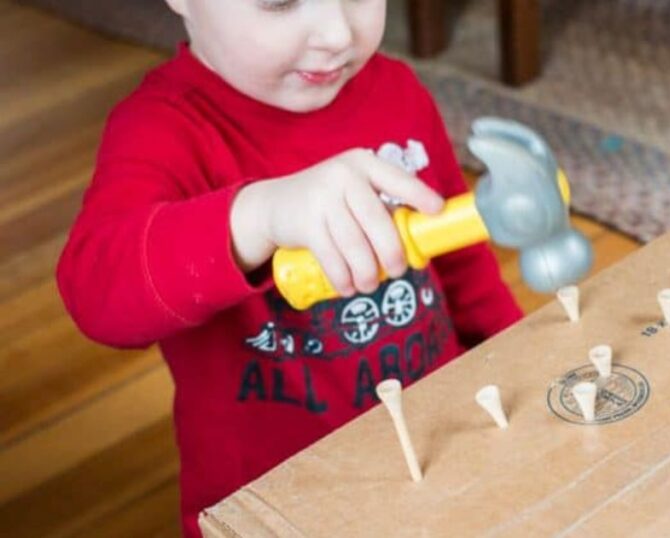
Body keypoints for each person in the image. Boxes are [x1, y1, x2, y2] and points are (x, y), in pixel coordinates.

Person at [55, 1, 523, 535]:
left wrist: (521, 358)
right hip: (278, 504)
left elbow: (464, 268)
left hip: (444, 449)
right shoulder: (161, 130)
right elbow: (96, 292)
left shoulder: (397, 90)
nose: (336, 33)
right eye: (280, 1)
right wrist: (257, 216)